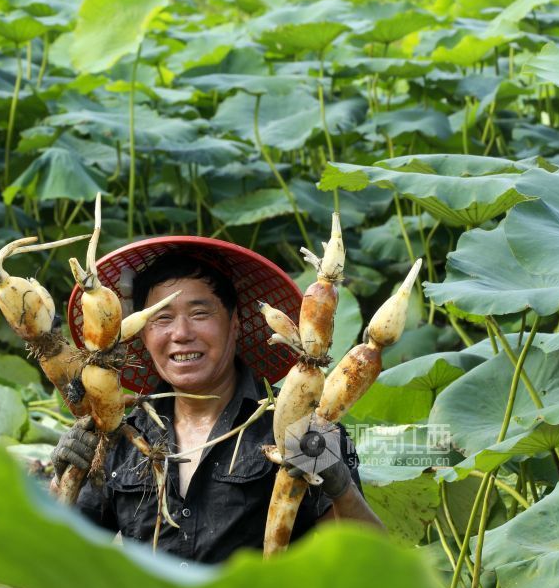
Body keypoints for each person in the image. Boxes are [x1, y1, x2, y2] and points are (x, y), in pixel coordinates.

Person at [52, 237, 383, 564]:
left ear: (235, 323)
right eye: (162, 318)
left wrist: (339, 483)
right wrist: (61, 482)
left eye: (199, 313)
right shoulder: (120, 436)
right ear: (143, 334)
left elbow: (370, 565)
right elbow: (56, 560)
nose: (181, 333)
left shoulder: (303, 429)